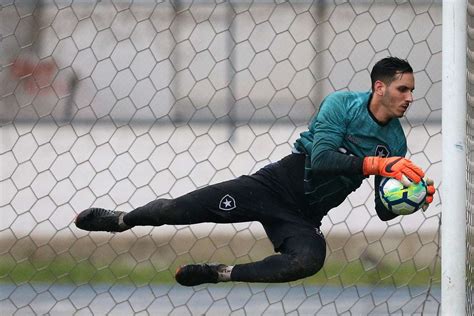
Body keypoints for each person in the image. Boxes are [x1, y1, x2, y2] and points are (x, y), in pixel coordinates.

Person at [75, 57, 436, 286]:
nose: (409, 97)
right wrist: (376, 164)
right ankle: (123, 219)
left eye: (412, 91)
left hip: (304, 216)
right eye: (403, 89)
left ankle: (219, 273)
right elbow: (322, 159)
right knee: (177, 211)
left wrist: (410, 200)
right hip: (272, 187)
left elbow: (381, 208)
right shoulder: (342, 105)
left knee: (308, 261)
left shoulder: (395, 143)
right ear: (379, 87)